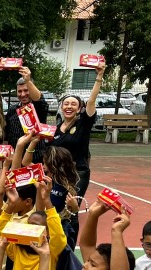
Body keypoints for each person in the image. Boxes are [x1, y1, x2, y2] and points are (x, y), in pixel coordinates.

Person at [52, 61, 105, 201]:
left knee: (71, 209)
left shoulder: (83, 124)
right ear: (61, 107)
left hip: (78, 173)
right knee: (56, 208)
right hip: (58, 174)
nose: (69, 107)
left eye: (73, 104)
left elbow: (91, 101)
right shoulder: (55, 129)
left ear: (79, 108)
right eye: (66, 104)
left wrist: (99, 76)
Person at [4, 67, 48, 161]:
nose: (23, 94)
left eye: (26, 90)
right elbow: (6, 136)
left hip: (35, 159)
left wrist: (28, 80)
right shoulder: (12, 110)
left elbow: (39, 99)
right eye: (19, 91)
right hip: (15, 161)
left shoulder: (39, 107)